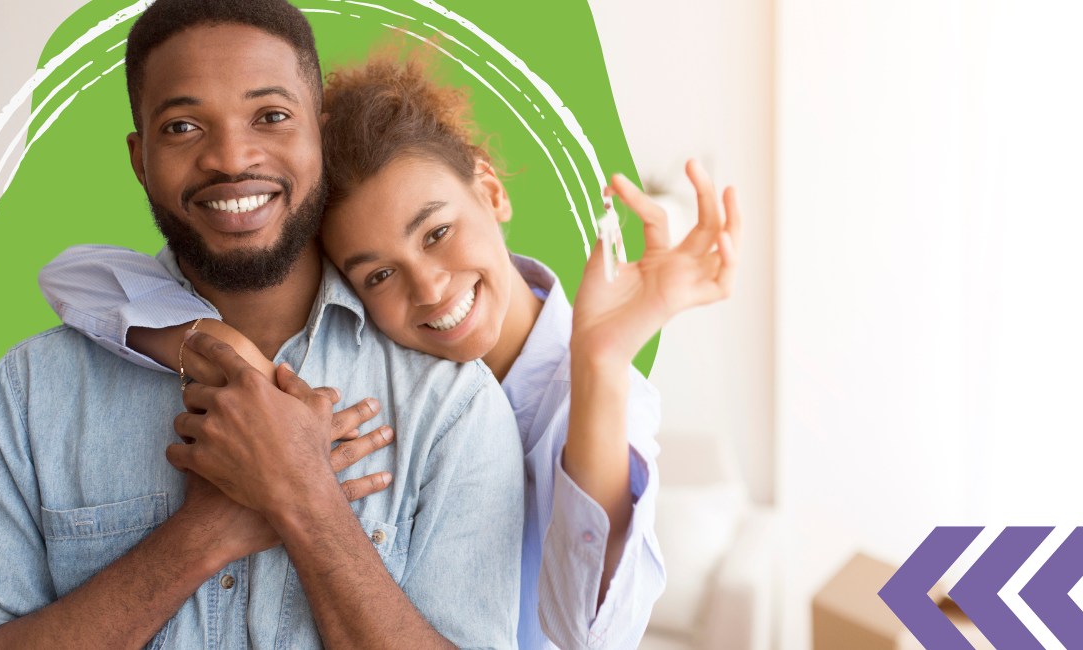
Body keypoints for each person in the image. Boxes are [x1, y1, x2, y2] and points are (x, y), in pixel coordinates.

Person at [37, 52, 743, 649]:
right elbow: (72, 277)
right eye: (378, 273)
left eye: (436, 232)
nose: (431, 289)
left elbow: (585, 630)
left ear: (489, 189)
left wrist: (601, 360)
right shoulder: (374, 365)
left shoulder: (590, 393)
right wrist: (217, 346)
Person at [0, 2, 527, 649]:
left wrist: (304, 498)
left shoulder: (450, 405)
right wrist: (201, 535)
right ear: (140, 158)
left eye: (271, 116)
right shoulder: (31, 393)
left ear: (317, 134)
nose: (232, 158)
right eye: (183, 126)